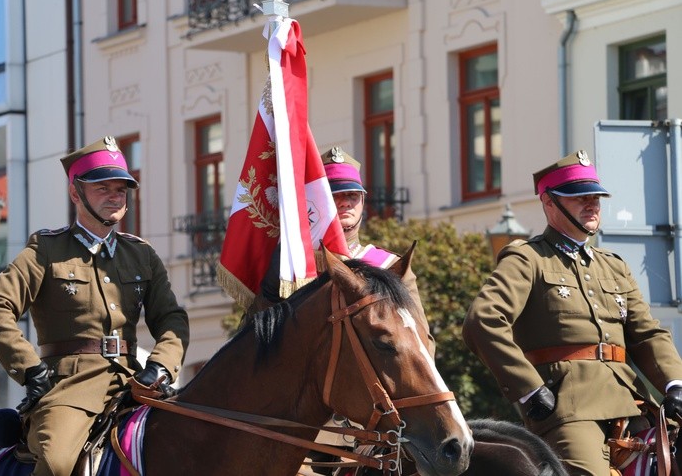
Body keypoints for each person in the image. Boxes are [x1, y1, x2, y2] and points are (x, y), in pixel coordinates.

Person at [0, 136, 190, 476]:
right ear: (76, 193)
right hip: (71, 387)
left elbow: (171, 318)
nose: (115, 196)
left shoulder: (141, 255)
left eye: (121, 189)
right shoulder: (46, 249)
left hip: (136, 381)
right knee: (58, 463)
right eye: (103, 188)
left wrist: (161, 365)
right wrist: (30, 369)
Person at [462, 149, 682, 475]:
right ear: (549, 203)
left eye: (595, 197)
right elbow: (482, 321)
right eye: (579, 198)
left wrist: (674, 384)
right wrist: (528, 390)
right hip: (571, 406)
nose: (592, 204)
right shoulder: (528, 259)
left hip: (632, 400)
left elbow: (648, 333)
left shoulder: (614, 266)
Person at [251, 146, 426, 323]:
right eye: (334, 196)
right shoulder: (295, 266)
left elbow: (421, 338)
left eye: (352, 195)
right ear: (317, 204)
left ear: (362, 202)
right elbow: (254, 333)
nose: (345, 203)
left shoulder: (391, 266)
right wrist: (270, 294)